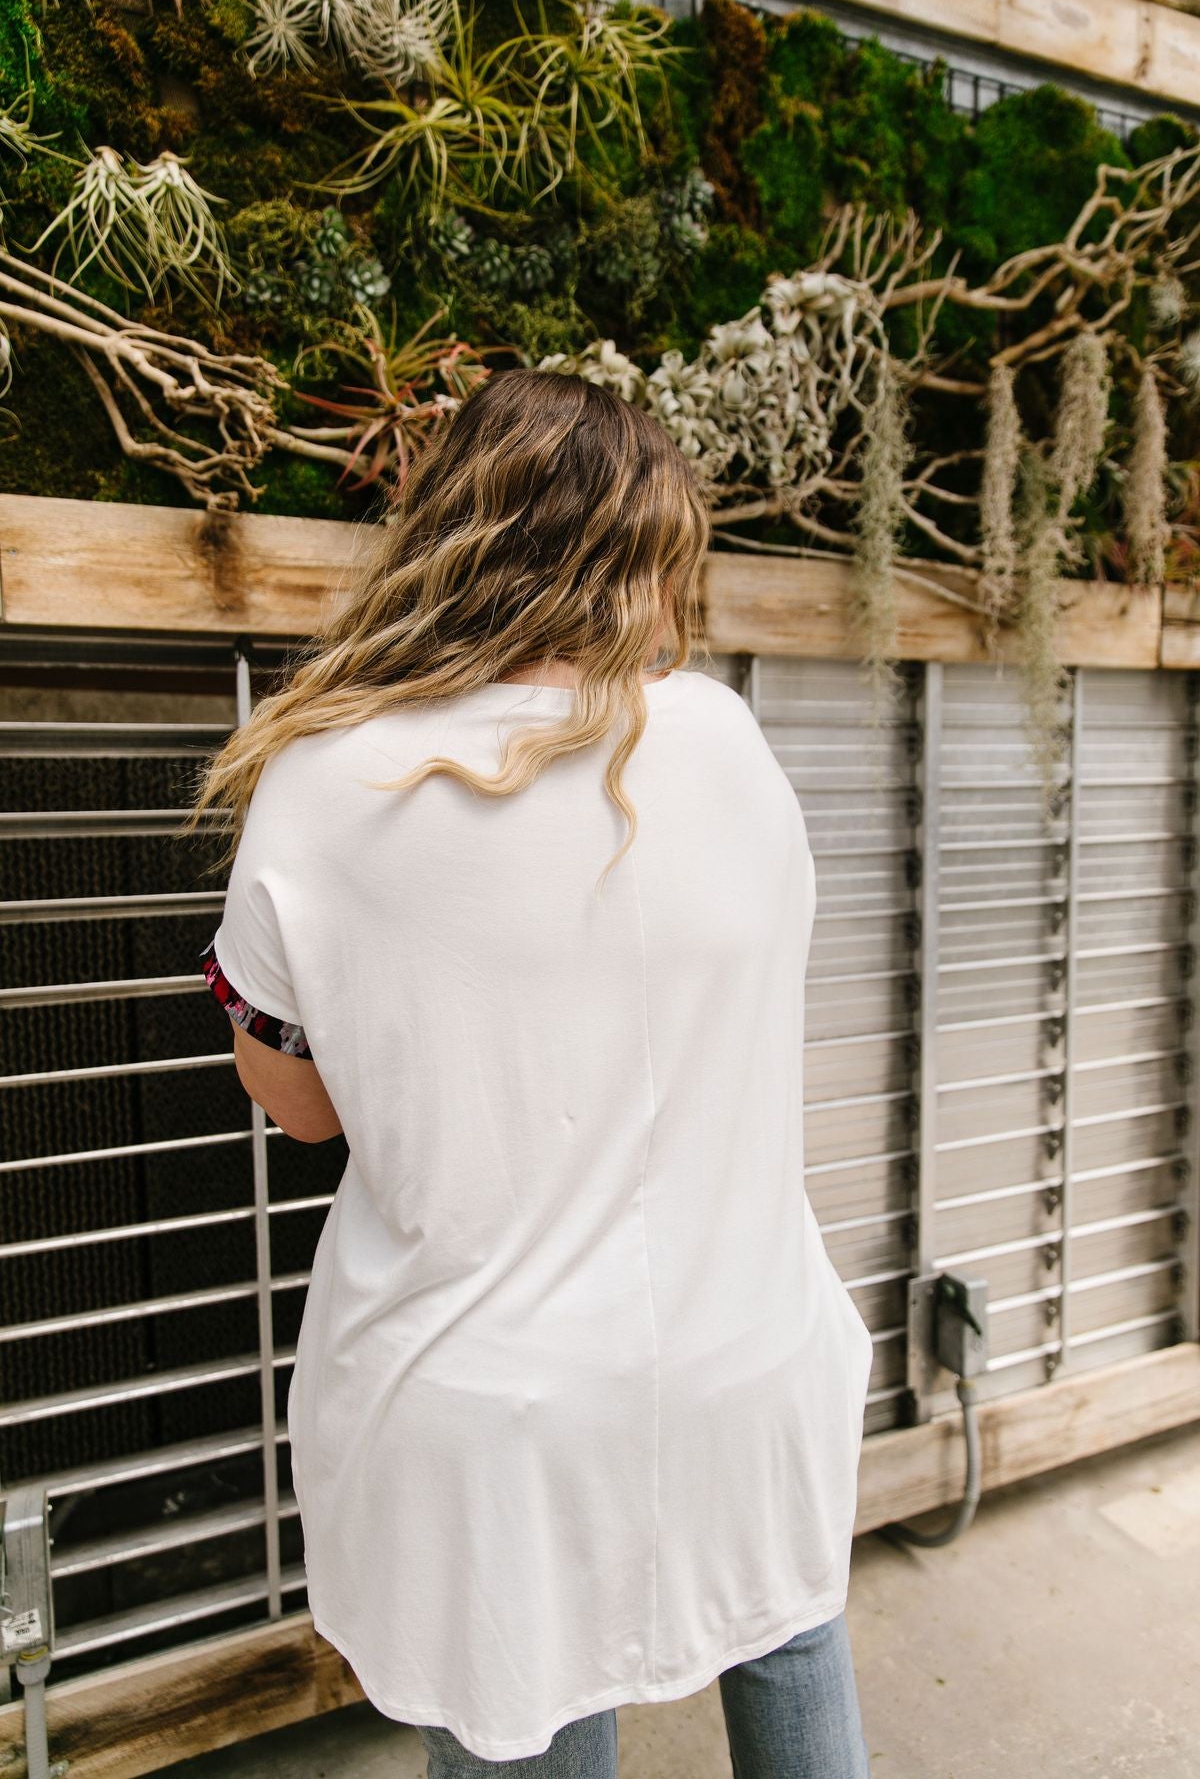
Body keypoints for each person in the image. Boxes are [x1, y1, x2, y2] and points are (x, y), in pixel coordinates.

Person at [187, 367, 875, 1777]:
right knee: (790, 1631)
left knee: (535, 1701)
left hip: (493, 1406)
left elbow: (302, 1108)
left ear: (453, 534)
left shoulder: (326, 781)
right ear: (648, 554)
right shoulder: (730, 747)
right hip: (749, 1350)